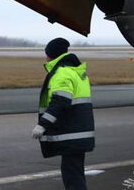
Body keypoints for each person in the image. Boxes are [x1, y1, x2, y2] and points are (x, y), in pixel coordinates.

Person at [32, 38, 94, 190]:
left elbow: (60, 101)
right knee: (75, 172)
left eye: (47, 54)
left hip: (71, 134)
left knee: (72, 176)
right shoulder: (75, 71)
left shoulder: (62, 73)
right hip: (79, 132)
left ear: (51, 54)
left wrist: (43, 125)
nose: (45, 57)